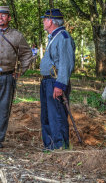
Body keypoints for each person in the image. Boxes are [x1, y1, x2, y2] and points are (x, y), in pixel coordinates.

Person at [0, 6, 32, 148]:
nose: (0, 18)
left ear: (9, 18)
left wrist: (21, 71)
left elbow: (27, 54)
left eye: (4, 15)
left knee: (4, 110)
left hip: (7, 77)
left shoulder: (17, 36)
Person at [39, 8, 75, 151]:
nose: (43, 22)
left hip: (56, 82)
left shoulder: (63, 37)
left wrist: (60, 85)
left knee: (57, 115)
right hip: (48, 81)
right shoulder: (54, 36)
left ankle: (60, 146)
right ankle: (50, 145)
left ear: (51, 22)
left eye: (45, 19)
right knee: (47, 115)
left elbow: (66, 63)